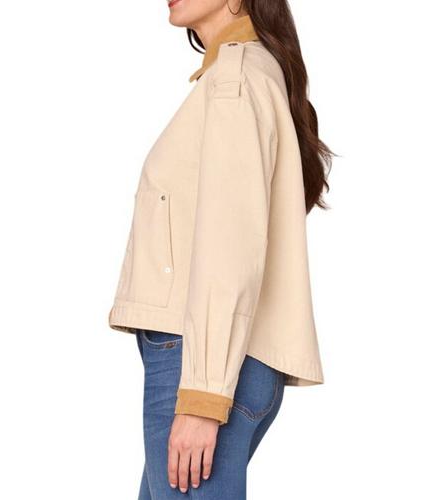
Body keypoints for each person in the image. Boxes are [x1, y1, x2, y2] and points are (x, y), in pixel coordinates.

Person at [108, 1, 332, 498]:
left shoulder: (236, 76)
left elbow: (230, 244)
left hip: (201, 364)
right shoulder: (241, 74)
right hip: (216, 362)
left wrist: (204, 396)